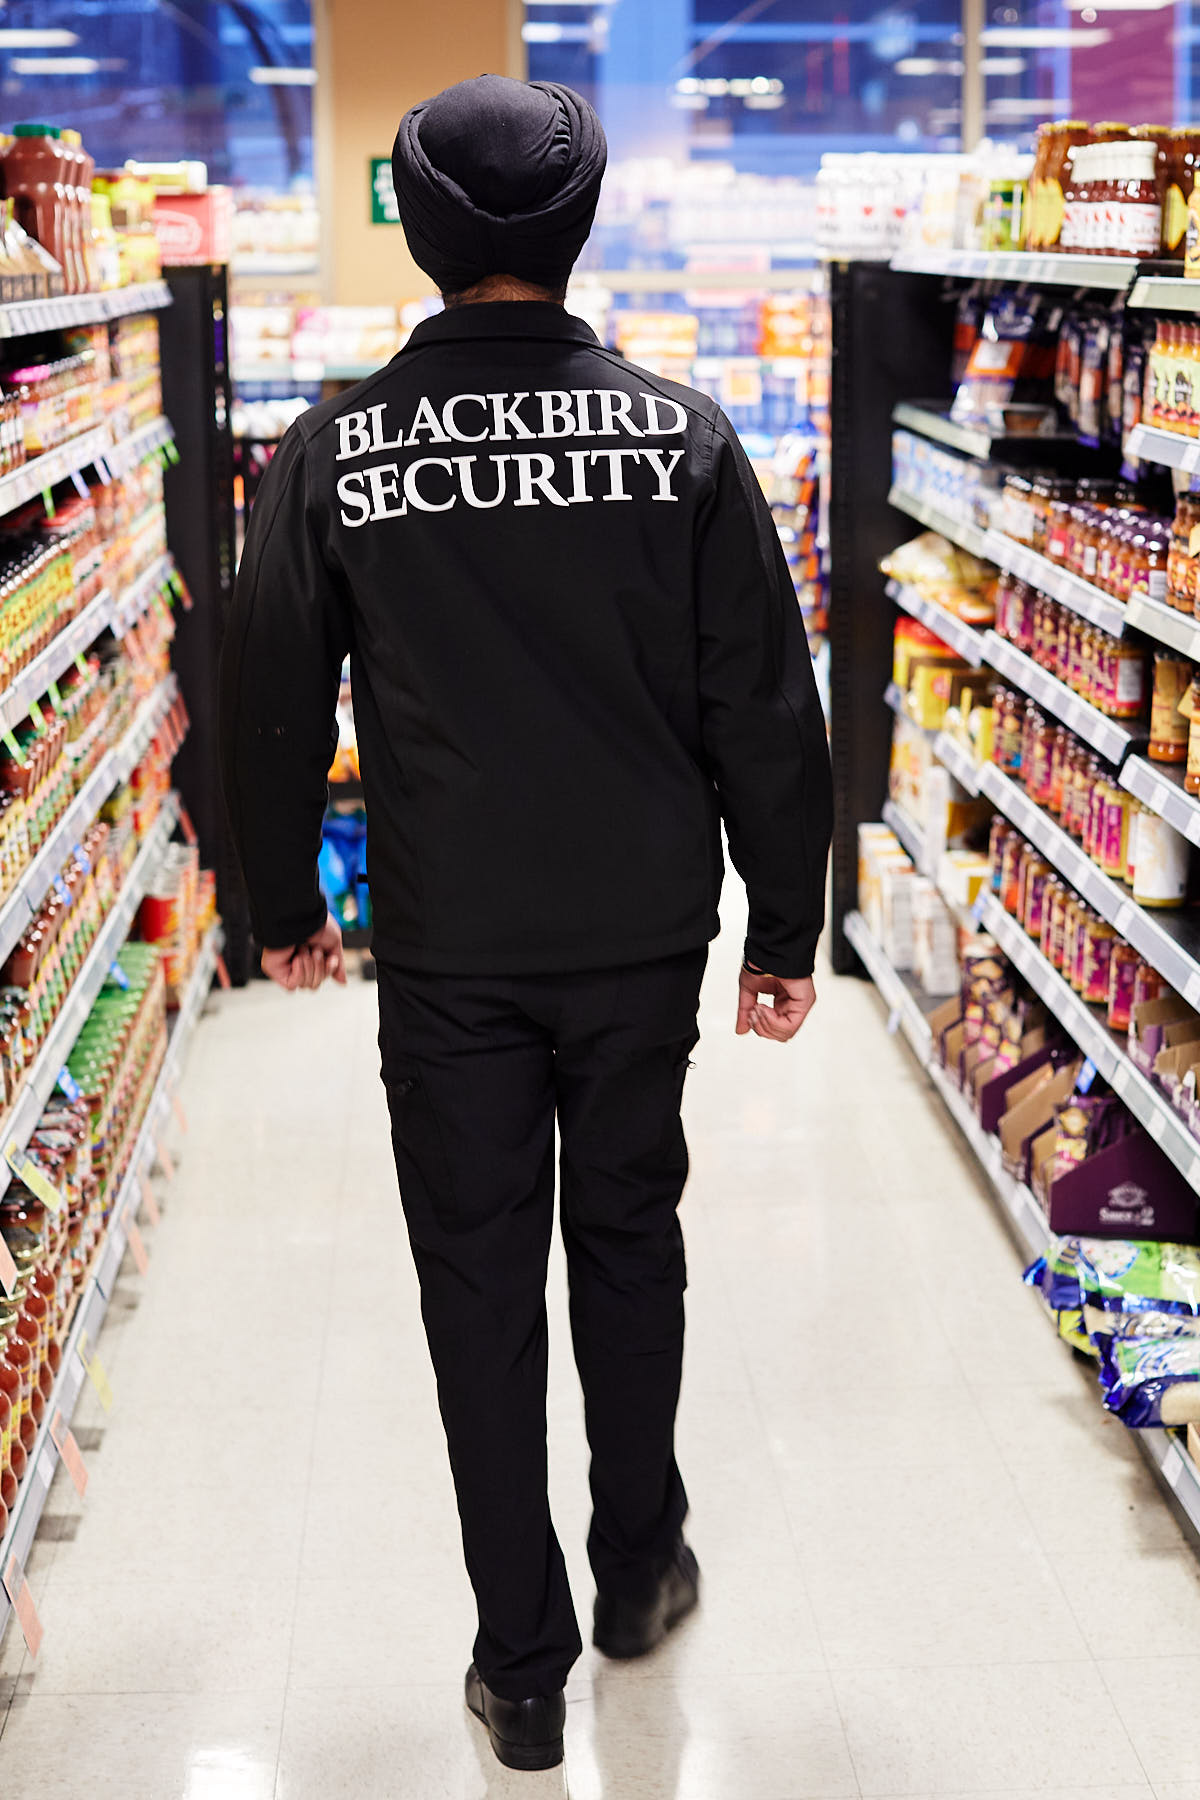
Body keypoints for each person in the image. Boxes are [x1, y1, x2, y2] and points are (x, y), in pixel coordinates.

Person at [219, 72, 832, 1774]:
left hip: (452, 950)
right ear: (579, 229)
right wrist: (786, 926)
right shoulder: (683, 436)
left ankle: (523, 1662)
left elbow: (269, 696)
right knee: (632, 1246)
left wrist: (279, 905)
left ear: (418, 239)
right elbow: (767, 710)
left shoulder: (336, 450)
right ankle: (639, 1574)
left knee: (477, 1283)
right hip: (644, 936)